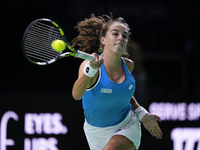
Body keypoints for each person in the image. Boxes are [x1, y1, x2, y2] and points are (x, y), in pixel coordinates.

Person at [72, 14, 163, 150]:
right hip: (94, 132)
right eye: (115, 34)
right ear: (103, 39)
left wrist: (142, 114)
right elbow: (77, 95)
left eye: (124, 36)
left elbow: (122, 95)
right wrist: (90, 70)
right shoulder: (89, 65)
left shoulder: (128, 65)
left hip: (126, 125)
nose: (121, 38)